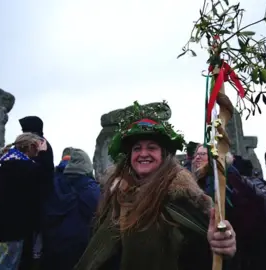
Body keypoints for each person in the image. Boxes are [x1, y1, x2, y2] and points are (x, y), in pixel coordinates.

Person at [74, 102, 236, 270]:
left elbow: (203, 257)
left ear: (164, 155)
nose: (143, 154)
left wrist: (218, 246)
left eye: (152, 148)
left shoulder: (183, 199)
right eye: (137, 149)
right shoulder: (114, 197)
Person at [0, 133, 44, 269]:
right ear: (31, 147)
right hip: (10, 231)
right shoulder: (22, 167)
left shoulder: (7, 163)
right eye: (37, 147)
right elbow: (43, 176)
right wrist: (44, 156)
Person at [41, 148, 100, 270]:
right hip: (79, 246)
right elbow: (100, 210)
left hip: (51, 244)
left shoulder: (53, 183)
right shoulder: (89, 187)